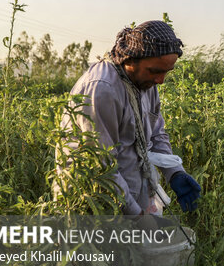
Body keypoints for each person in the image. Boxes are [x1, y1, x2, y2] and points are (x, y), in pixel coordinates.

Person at [59, 19, 201, 216]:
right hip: (96, 200)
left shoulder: (145, 83)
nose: (160, 80)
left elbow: (156, 133)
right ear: (130, 60)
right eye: (155, 71)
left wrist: (174, 172)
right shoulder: (103, 89)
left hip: (133, 192)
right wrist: (136, 215)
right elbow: (101, 165)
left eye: (166, 72)